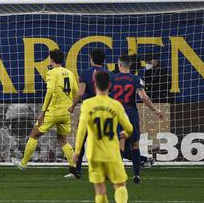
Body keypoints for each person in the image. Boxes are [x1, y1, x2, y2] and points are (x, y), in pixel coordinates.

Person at [13, 48, 77, 174]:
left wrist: (42, 112)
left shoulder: (52, 73)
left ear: (51, 59)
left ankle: (23, 163)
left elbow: (50, 92)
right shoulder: (70, 73)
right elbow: (75, 92)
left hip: (54, 111)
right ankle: (74, 169)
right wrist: (72, 106)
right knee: (63, 140)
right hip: (66, 112)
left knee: (34, 134)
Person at [73, 70, 132, 203]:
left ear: (95, 86)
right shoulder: (116, 105)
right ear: (110, 85)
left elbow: (81, 130)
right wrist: (126, 133)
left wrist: (77, 152)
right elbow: (129, 127)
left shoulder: (87, 104)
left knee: (100, 190)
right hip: (112, 152)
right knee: (120, 185)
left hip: (94, 154)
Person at [112, 54, 164, 184]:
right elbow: (144, 97)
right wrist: (155, 110)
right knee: (135, 145)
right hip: (131, 114)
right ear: (129, 65)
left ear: (119, 65)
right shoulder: (136, 79)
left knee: (121, 145)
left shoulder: (112, 78)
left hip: (117, 115)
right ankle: (136, 176)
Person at [68, 48, 108, 178]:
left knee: (81, 140)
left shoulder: (85, 73)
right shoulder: (109, 73)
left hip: (88, 110)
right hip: (103, 111)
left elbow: (80, 93)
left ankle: (76, 171)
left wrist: (73, 105)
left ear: (91, 59)